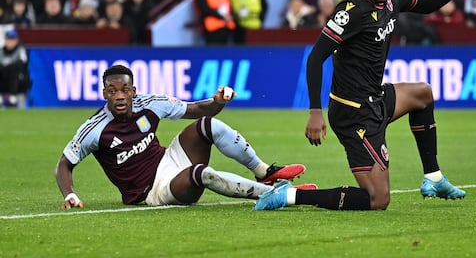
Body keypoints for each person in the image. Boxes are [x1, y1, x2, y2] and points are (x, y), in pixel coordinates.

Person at [254, 0, 476, 211]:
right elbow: (315, 58)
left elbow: (427, 4)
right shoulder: (350, 12)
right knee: (378, 200)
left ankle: (433, 177)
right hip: (353, 114)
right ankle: (290, 195)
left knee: (422, 94)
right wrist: (315, 111)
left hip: (376, 98)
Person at [55, 64, 308, 209]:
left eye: (124, 90)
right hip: (153, 191)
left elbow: (196, 109)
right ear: (104, 94)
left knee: (209, 124)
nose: (119, 96)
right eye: (112, 91)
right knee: (202, 173)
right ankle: (272, 194)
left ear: (133, 91)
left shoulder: (151, 103)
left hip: (169, 159)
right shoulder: (94, 129)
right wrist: (70, 194)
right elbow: (64, 164)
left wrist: (217, 102)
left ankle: (265, 172)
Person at [0, 29, 31, 108]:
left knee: (14, 69)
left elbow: (22, 62)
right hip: (3, 80)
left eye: (12, 39)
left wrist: (6, 67)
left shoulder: (21, 50)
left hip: (19, 80)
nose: (10, 42)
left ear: (16, 40)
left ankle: (12, 98)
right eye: (8, 39)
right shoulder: (1, 51)